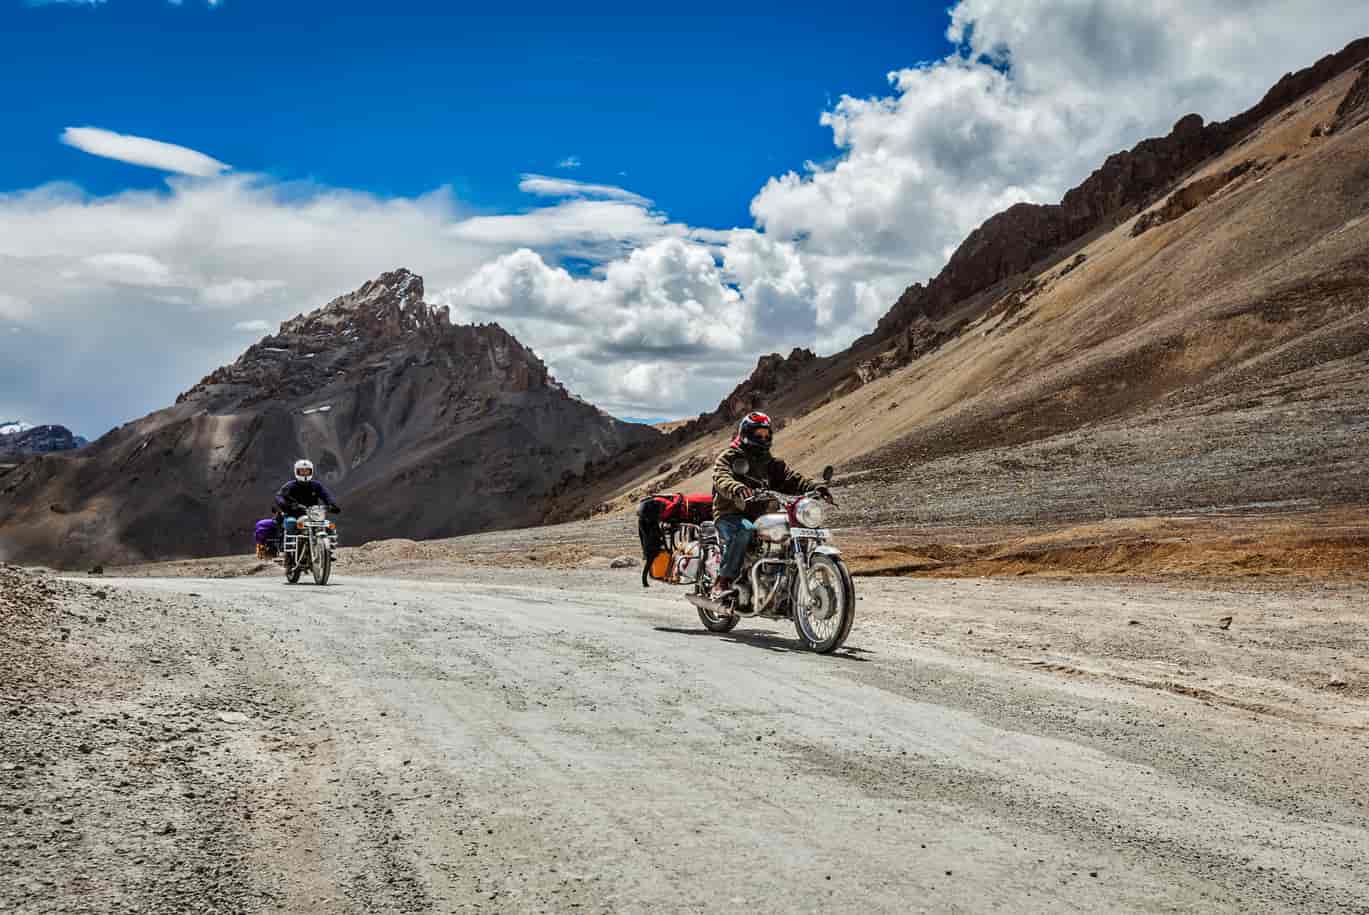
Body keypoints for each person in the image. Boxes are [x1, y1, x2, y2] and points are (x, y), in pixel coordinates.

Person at [709, 412, 828, 602]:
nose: (763, 438)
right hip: (731, 513)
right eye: (759, 434)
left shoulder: (771, 463)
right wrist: (737, 487)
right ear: (747, 433)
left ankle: (785, 585)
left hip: (762, 515)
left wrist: (814, 488)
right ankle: (723, 581)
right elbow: (721, 477)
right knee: (744, 530)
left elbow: (791, 479)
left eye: (766, 434)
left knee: (791, 532)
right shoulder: (730, 456)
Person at [274, 459, 341, 546]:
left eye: (307, 471)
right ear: (297, 472)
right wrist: (287, 505)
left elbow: (326, 495)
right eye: (302, 471)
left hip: (314, 515)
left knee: (328, 525)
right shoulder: (290, 486)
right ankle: (289, 551)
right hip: (295, 514)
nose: (304, 473)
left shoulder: (316, 485)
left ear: (311, 471)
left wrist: (332, 504)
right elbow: (279, 496)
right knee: (291, 523)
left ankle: (329, 549)